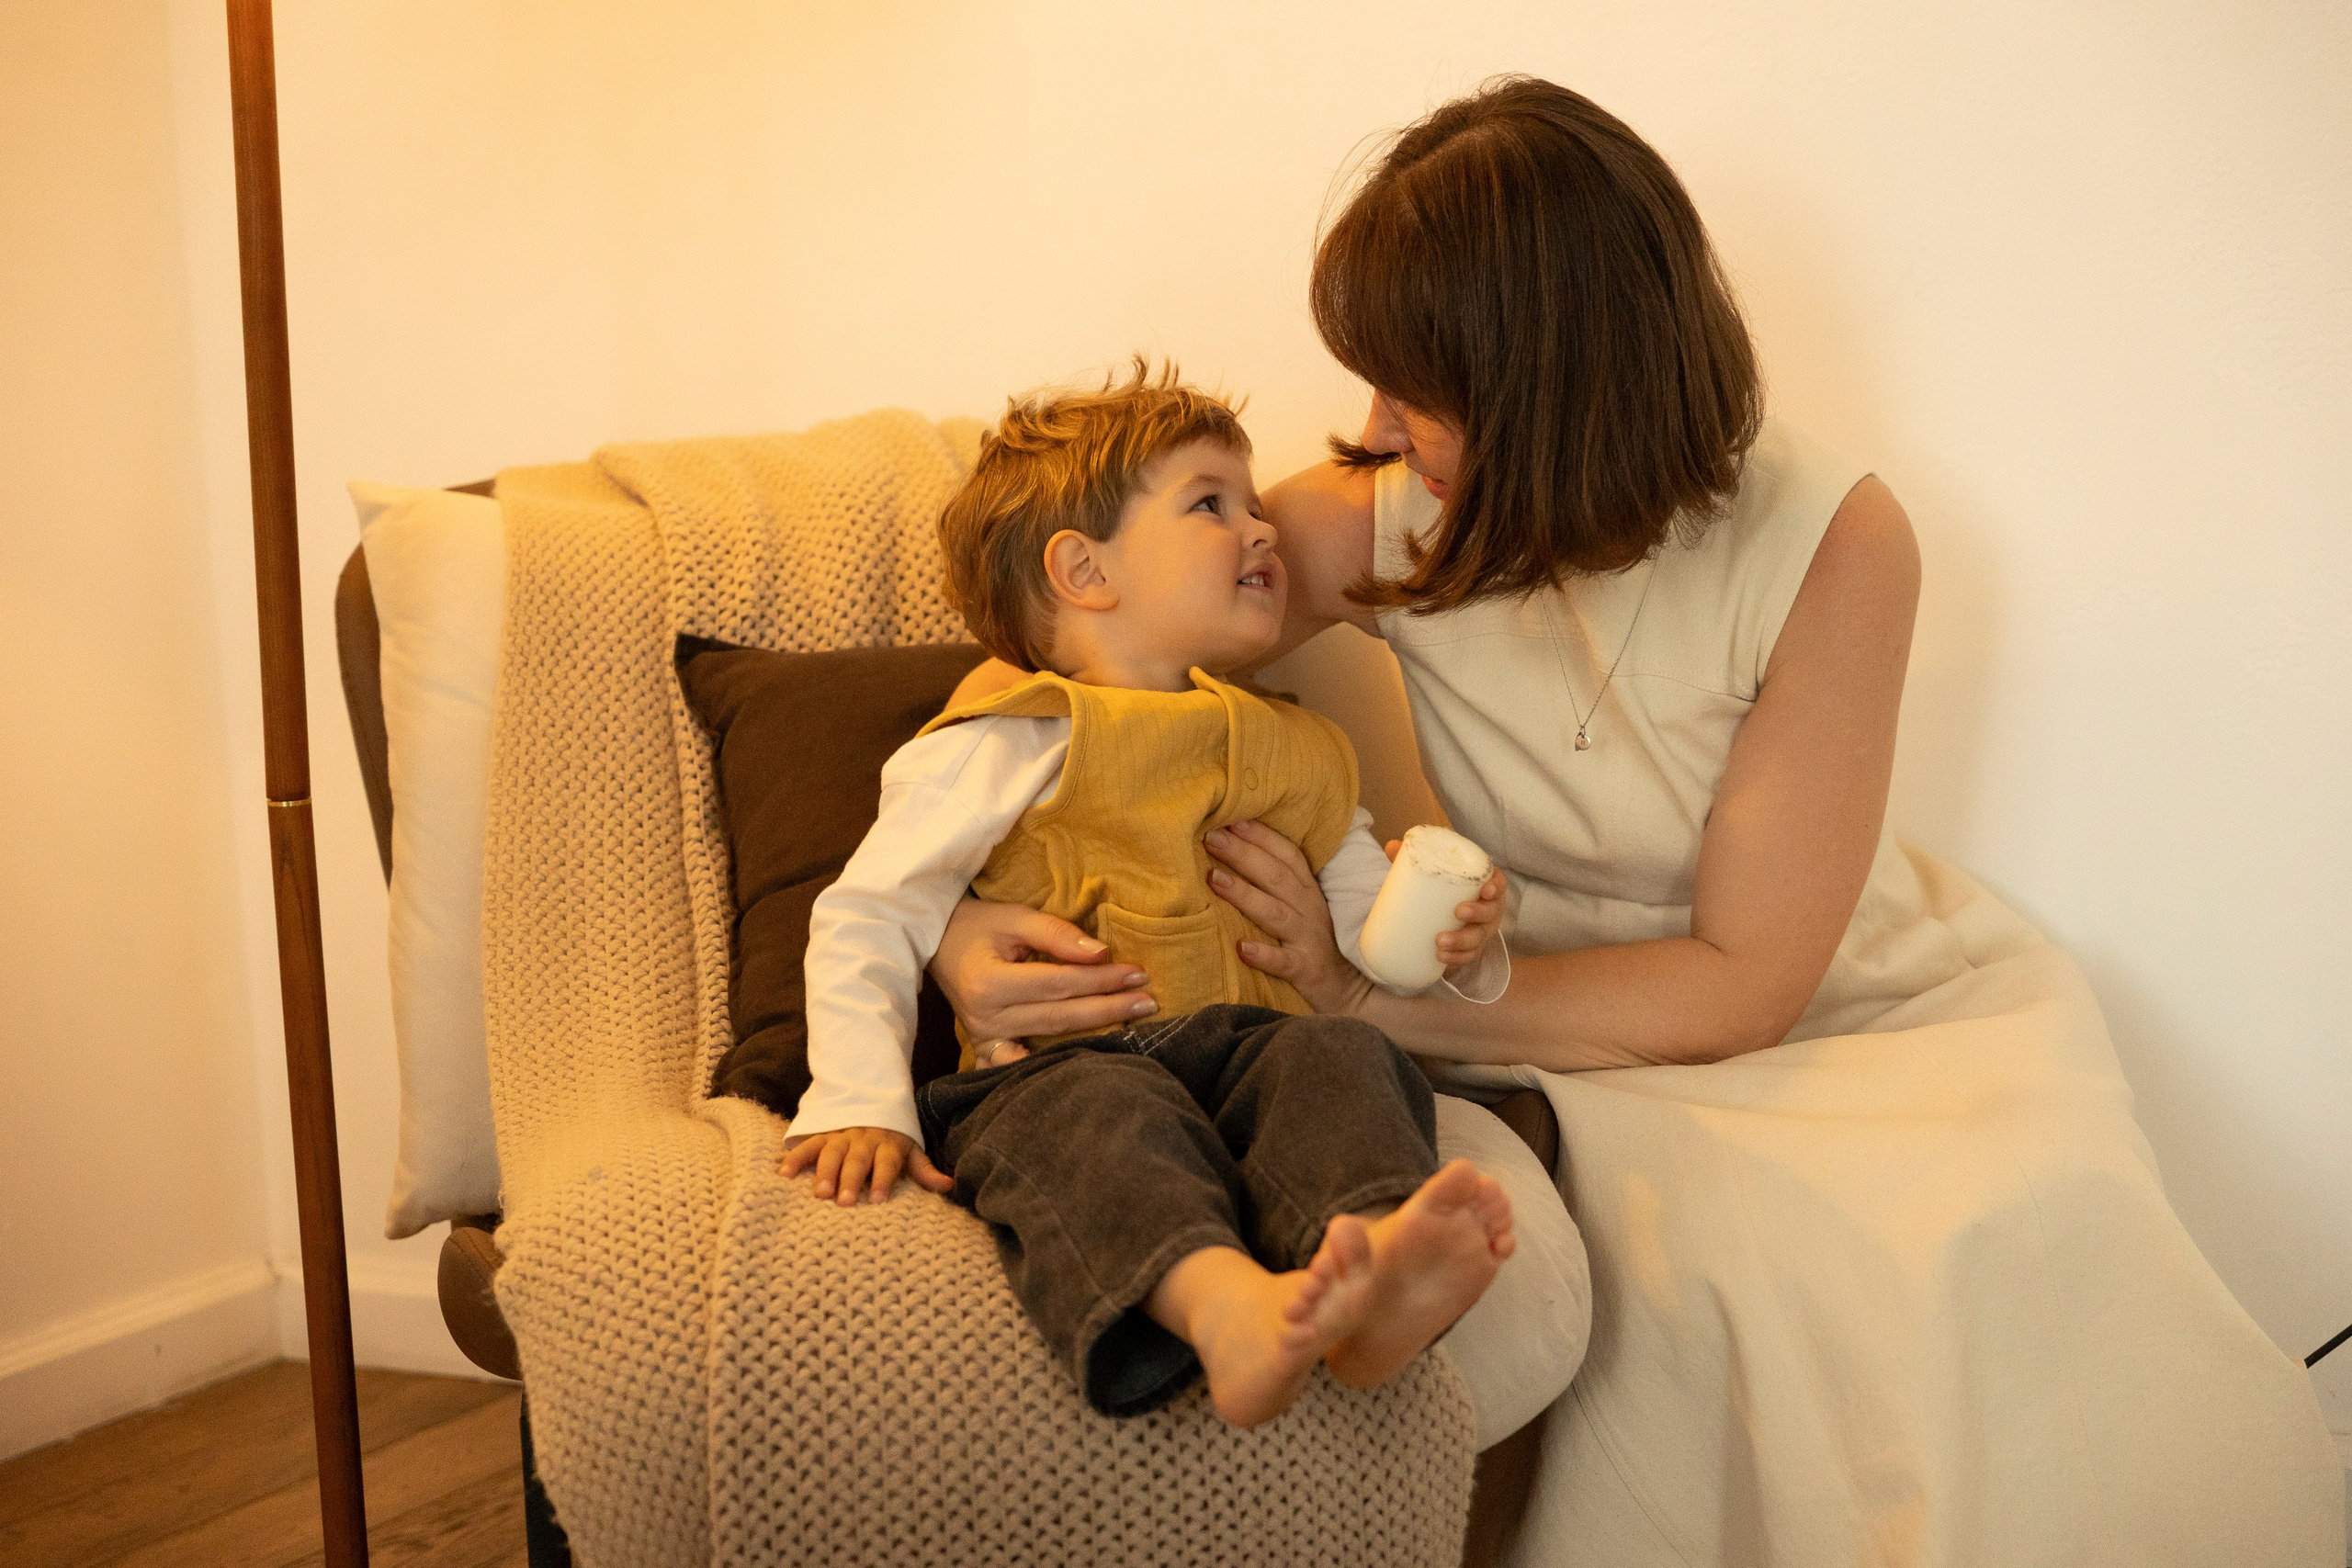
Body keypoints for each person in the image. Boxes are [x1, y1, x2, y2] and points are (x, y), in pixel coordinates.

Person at [930, 78, 2344, 1563]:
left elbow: (1747, 975)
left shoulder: (1835, 541)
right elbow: (1072, 662)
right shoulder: (1384, 511)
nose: (1363, 426)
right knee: (1731, 1260)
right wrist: (952, 923)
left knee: (2019, 1216)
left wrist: (1361, 999)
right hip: (1519, 999)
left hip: (1815, 1002)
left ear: (1547, 390)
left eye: (1411, 389)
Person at [780, 363, 1518, 1431]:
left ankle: (1366, 1283)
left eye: (1257, 504)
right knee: (1101, 1118)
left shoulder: (1298, 749)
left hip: (1248, 1057)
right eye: (1211, 505)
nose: (1262, 530)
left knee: (1344, 1056)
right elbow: (869, 911)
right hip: (1061, 1072)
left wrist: (1446, 925)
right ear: (1083, 570)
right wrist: (856, 1096)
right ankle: (1229, 1312)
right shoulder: (1013, 739)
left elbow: (1372, 945)